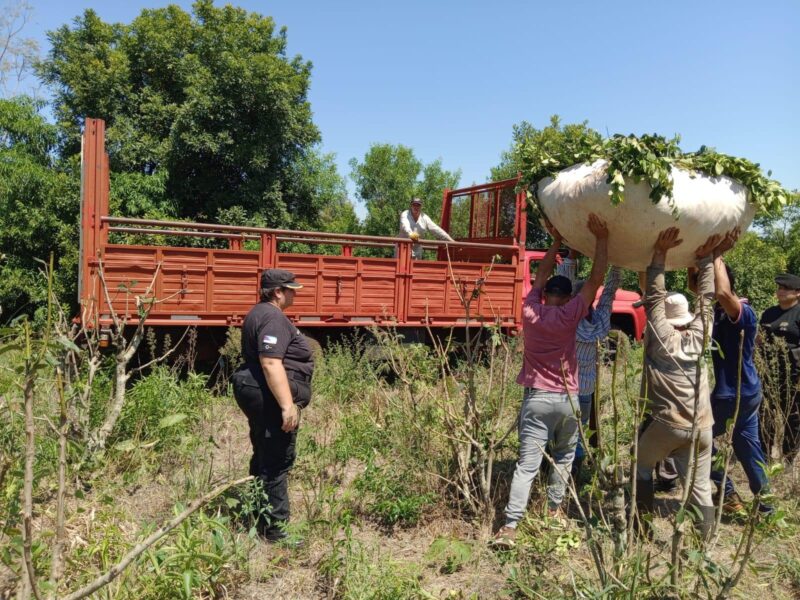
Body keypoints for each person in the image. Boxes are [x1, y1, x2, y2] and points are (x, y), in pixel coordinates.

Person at [493, 214, 609, 547]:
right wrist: (601, 240)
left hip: (538, 398)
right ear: (568, 296)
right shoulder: (573, 314)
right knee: (563, 458)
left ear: (545, 295)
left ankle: (511, 527)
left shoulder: (531, 312)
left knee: (527, 465)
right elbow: (597, 279)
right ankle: (554, 511)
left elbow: (539, 276)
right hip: (569, 399)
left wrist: (556, 241)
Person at [634, 229, 719, 541]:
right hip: (704, 427)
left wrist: (659, 252)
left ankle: (641, 530)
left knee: (640, 467)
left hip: (668, 424)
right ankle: (704, 548)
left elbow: (655, 296)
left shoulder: (660, 337)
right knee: (699, 487)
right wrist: (706, 259)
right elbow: (707, 298)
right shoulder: (701, 332)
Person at [232, 269, 314, 544]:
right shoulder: (273, 316)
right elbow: (270, 362)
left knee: (264, 453)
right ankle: (277, 530)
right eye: (291, 289)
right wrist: (287, 406)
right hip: (268, 396)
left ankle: (258, 515)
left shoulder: (259, 313)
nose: (295, 293)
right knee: (277, 459)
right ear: (278, 292)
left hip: (256, 391)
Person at [707, 229, 772, 514]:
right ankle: (766, 509)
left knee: (696, 441)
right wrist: (694, 255)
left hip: (732, 394)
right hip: (745, 391)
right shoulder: (718, 312)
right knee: (747, 448)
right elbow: (701, 287)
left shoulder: (742, 312)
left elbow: (721, 291)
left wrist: (717, 252)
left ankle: (729, 492)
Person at [555, 249, 622, 477]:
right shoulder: (601, 323)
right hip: (585, 390)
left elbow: (565, 284)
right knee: (579, 434)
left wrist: (571, 256)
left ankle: (553, 471)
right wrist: (616, 262)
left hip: (562, 388)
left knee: (557, 433)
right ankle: (575, 473)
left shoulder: (568, 320)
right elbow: (609, 294)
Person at [759, 272, 800, 460]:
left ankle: (789, 456)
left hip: (794, 376)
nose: (781, 291)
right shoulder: (769, 313)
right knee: (765, 414)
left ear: (797, 293)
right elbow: (759, 340)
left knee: (793, 417)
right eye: (780, 288)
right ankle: (765, 455)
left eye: (786, 289)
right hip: (769, 374)